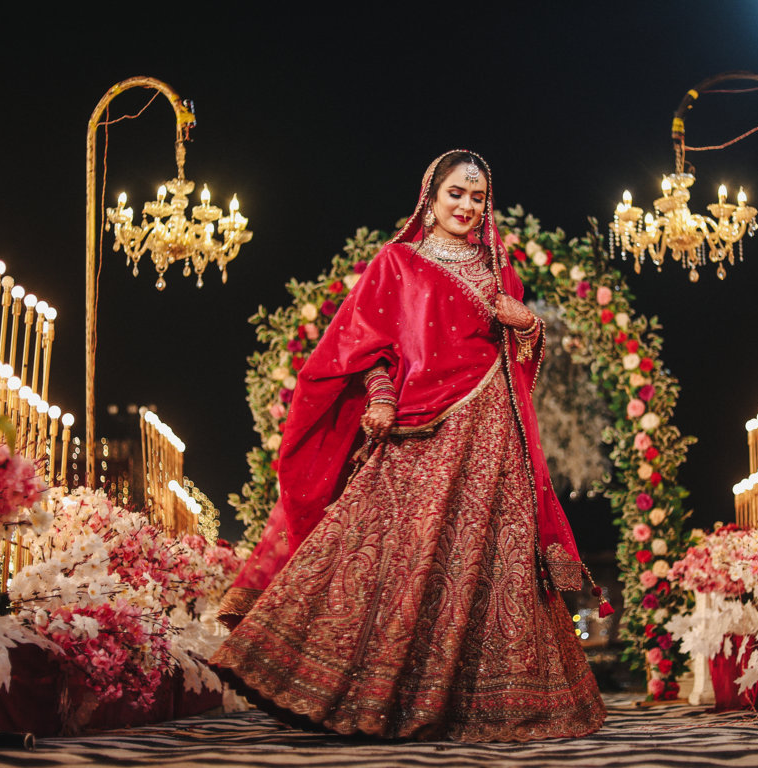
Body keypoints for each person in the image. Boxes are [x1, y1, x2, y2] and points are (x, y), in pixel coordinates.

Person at [210, 150, 607, 741]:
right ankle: (351, 689)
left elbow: (523, 361)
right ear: (430, 195)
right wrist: (380, 398)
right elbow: (366, 344)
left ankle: (479, 702)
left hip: (494, 432)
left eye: (477, 198)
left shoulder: (500, 269)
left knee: (488, 556)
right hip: (419, 427)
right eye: (456, 194)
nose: (467, 207)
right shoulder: (396, 262)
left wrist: (526, 323)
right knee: (394, 546)